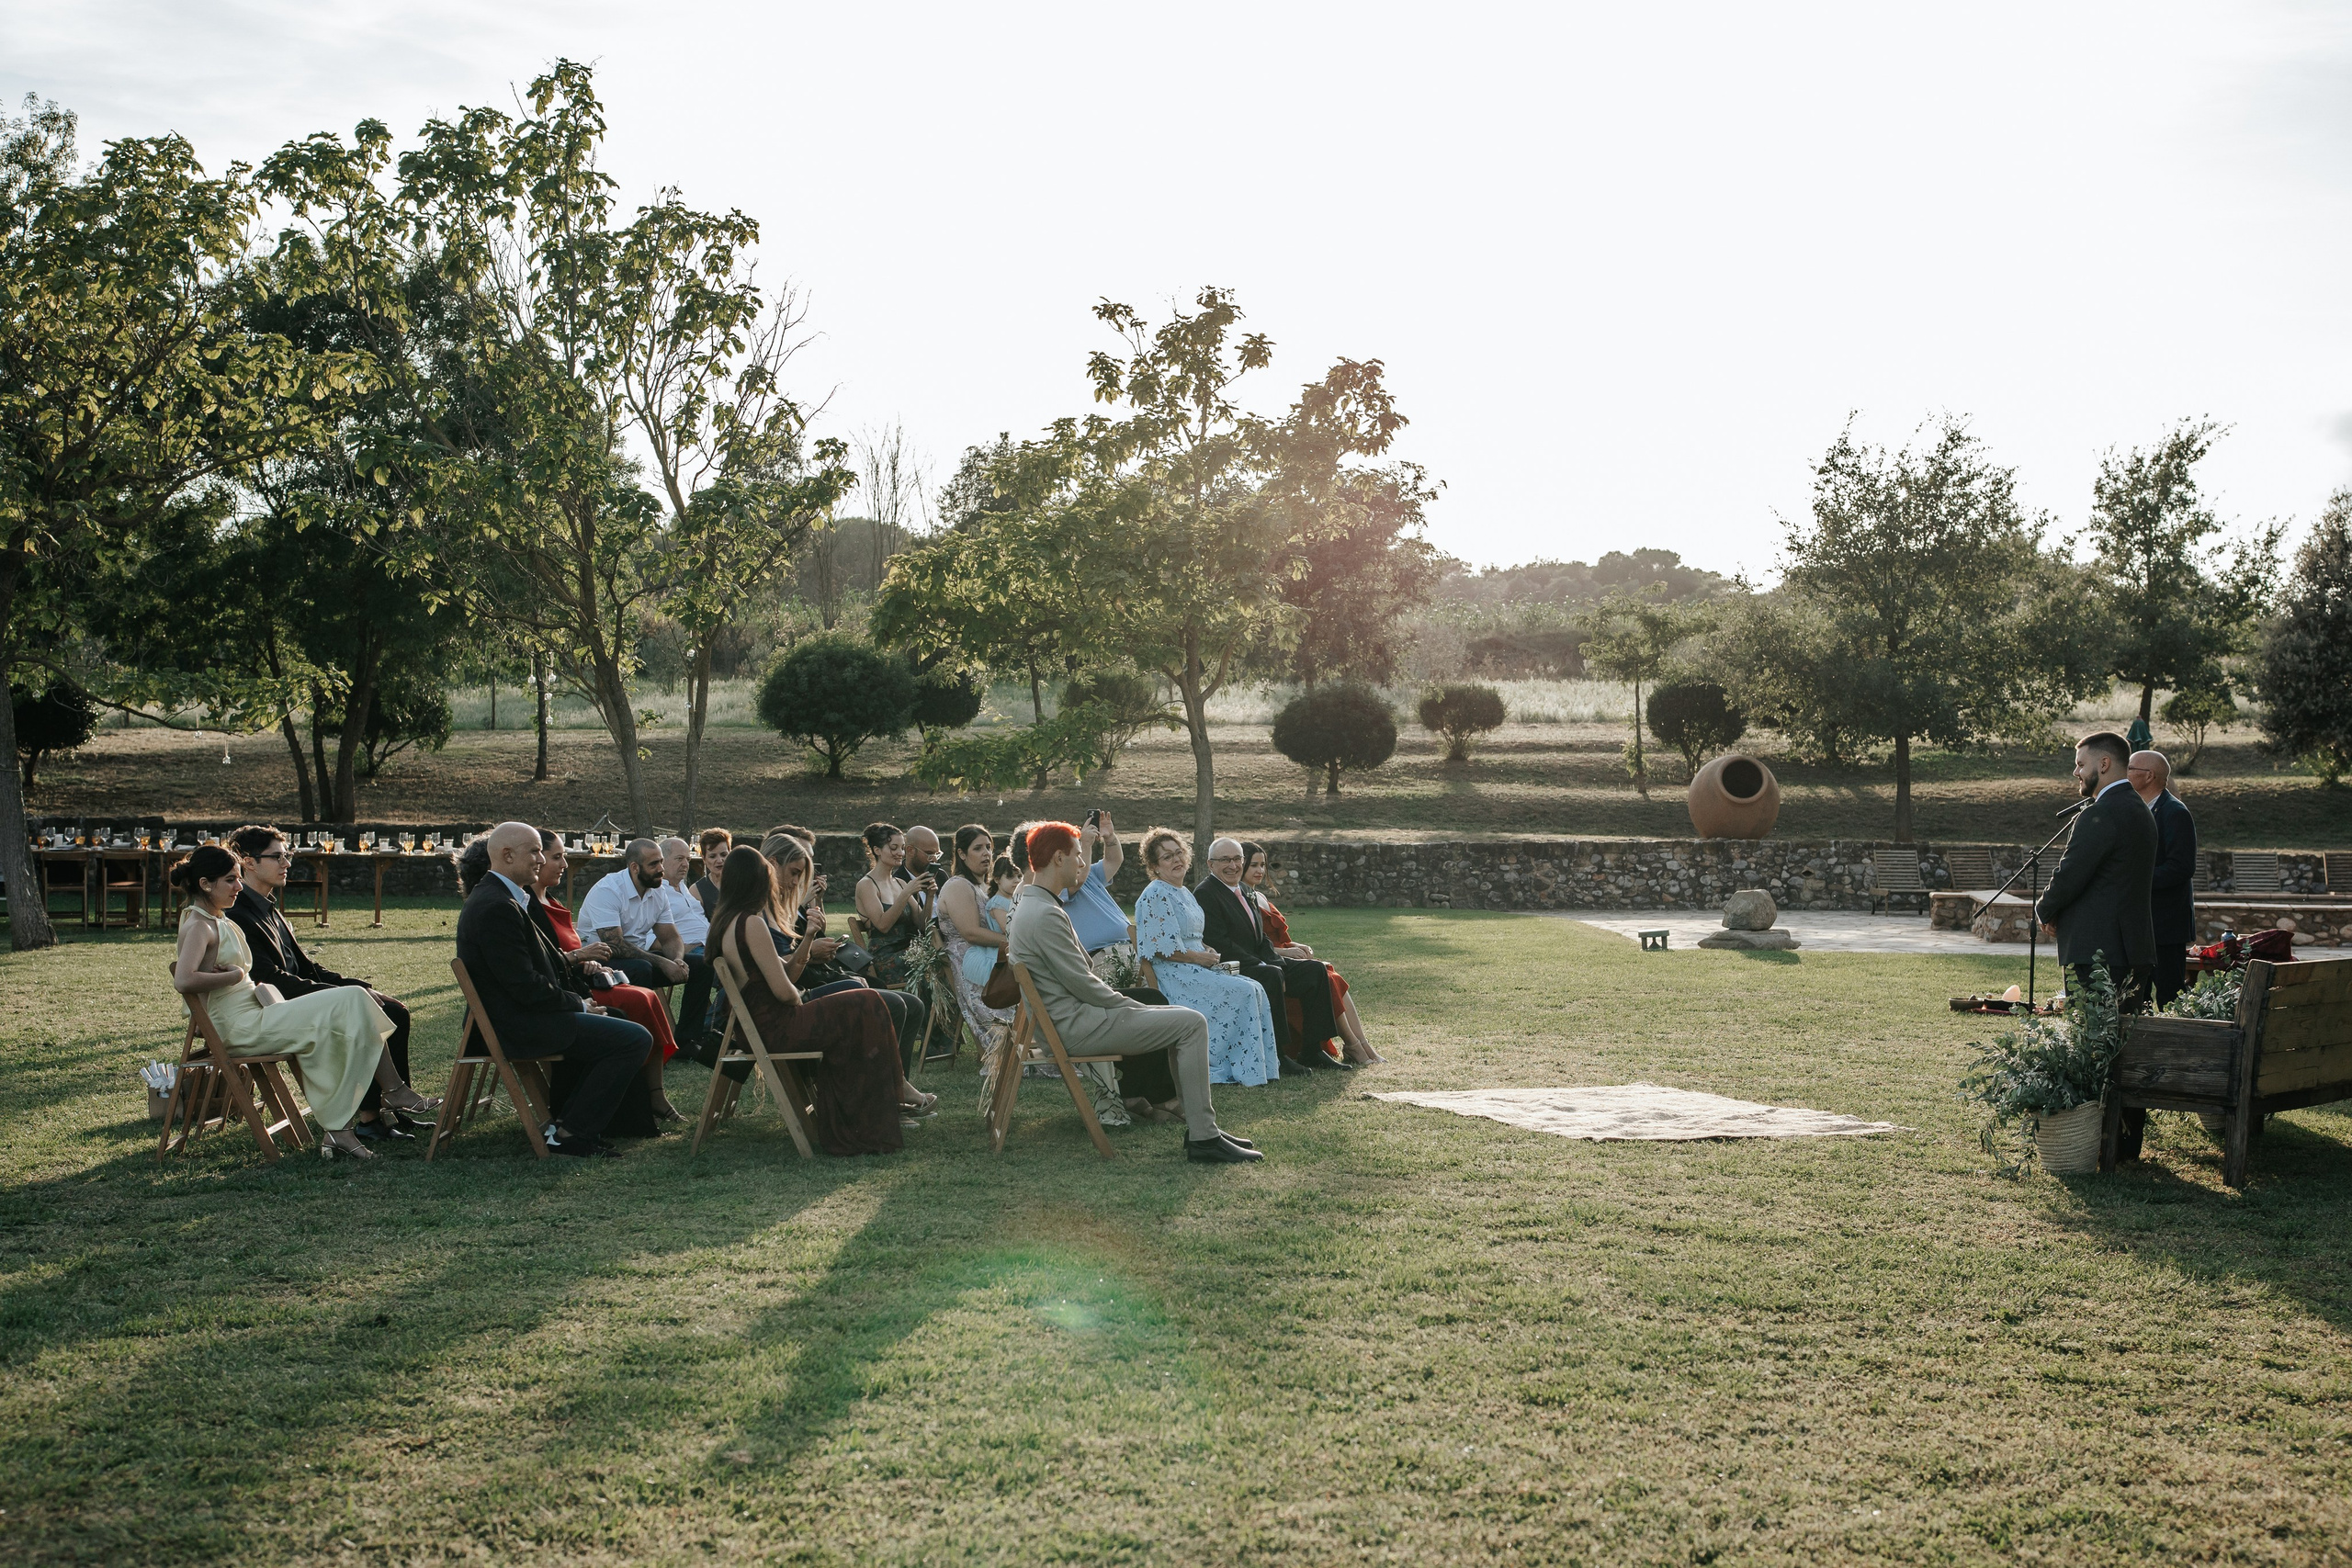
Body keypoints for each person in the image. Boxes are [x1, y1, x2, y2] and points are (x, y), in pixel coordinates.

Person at [1009, 821, 1261, 1164]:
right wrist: (1131, 1006)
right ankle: (1204, 1136)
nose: (1083, 864)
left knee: (1180, 1019)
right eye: (1079, 856)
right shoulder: (1044, 913)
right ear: (1057, 858)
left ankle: (1204, 1129)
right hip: (1077, 1026)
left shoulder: (1036, 904)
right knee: (1191, 1023)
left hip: (1072, 1019)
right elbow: (1084, 983)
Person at [171, 845, 413, 1161]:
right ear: (205, 884)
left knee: (356, 1002)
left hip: (257, 1013)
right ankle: (390, 1094)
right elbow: (184, 980)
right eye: (230, 880)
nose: (239, 887)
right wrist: (230, 977)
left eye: (239, 879)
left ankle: (346, 1126)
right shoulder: (199, 925)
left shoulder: (217, 919)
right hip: (239, 1027)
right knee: (354, 996)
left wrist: (240, 979)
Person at [455, 823, 654, 1158]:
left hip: (527, 1015)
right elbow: (525, 987)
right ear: (507, 855)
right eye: (534, 851)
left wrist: (579, 989)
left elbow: (536, 968)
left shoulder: (506, 897)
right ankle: (571, 1133)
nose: (540, 859)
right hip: (520, 1025)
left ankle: (572, 1121)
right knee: (634, 1039)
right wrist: (578, 1004)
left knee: (619, 1019)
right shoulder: (496, 906)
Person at [225, 824, 433, 1144]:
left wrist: (358, 986)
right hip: (276, 1005)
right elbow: (268, 978)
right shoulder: (239, 913)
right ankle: (374, 1115)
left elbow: (308, 966)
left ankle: (382, 1115)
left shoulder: (270, 908)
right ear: (248, 862)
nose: (287, 864)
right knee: (368, 1011)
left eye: (288, 855)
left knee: (395, 1011)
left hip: (300, 993)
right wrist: (343, 996)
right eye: (277, 857)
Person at [712, 843, 923, 1152]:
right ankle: (876, 1107)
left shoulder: (727, 921)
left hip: (761, 1026)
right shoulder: (751, 923)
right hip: (776, 1027)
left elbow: (786, 971)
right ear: (756, 881)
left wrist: (809, 935)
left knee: (864, 1002)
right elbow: (785, 990)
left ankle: (880, 1100)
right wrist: (803, 1002)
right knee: (867, 1003)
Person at [2037, 732, 2158, 1159]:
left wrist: (2044, 908)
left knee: (2096, 1047)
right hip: (2133, 948)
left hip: (2099, 955)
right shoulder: (2141, 812)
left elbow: (2072, 873)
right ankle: (2125, 1143)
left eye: (2080, 762)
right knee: (2126, 1050)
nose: (2076, 771)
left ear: (2104, 764)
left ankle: (2096, 1142)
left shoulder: (2102, 814)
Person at [522, 829, 682, 1122]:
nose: (564, 864)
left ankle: (654, 1092)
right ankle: (640, 1100)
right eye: (556, 857)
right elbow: (542, 966)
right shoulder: (527, 907)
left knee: (647, 995)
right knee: (641, 996)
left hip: (582, 978)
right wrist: (580, 959)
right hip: (569, 991)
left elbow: (563, 955)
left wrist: (588, 963)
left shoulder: (551, 902)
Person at [1133, 829, 1282, 1085]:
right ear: (1155, 866)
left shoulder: (1183, 893)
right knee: (1244, 991)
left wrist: (1205, 949)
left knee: (1255, 986)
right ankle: (1229, 1064)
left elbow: (1190, 936)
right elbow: (1159, 949)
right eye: (1167, 857)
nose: (1176, 860)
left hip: (1195, 967)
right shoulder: (1156, 894)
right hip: (1174, 975)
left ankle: (1255, 1065)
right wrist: (1199, 958)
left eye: (1179, 853)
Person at [1194, 836, 1345, 1073]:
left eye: (1236, 859)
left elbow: (1260, 937)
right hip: (1232, 967)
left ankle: (1312, 1050)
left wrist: (1278, 961)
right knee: (1272, 975)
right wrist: (1266, 965)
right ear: (1210, 864)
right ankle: (1279, 1056)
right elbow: (1220, 943)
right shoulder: (1206, 893)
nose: (1233, 865)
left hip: (1261, 962)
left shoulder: (1243, 890)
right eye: (1225, 860)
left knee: (1315, 970)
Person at [1239, 840, 1382, 1065]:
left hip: (1284, 953)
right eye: (1253, 866)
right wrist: (1284, 952)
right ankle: (1353, 1045)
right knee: (1327, 977)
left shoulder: (1260, 897)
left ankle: (1362, 1043)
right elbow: (1254, 944)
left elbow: (1277, 936)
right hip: (1272, 960)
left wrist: (1296, 945)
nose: (1260, 871)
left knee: (1332, 974)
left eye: (1263, 865)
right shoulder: (1240, 899)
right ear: (1241, 866)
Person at [579, 837, 715, 1055]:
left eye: (661, 862)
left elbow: (670, 938)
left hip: (642, 957)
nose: (661, 869)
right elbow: (615, 944)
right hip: (599, 962)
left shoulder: (658, 890)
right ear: (635, 867)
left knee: (702, 964)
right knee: (643, 967)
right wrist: (663, 961)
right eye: (654, 864)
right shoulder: (608, 890)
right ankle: (642, 1044)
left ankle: (687, 1040)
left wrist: (677, 959)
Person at [851, 822, 935, 1063]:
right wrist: (907, 893)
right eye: (893, 847)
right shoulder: (867, 885)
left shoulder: (899, 883)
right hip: (885, 956)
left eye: (902, 847)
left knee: (941, 963)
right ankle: (930, 1038)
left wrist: (928, 896)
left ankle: (938, 1040)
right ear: (877, 850)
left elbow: (921, 923)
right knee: (934, 971)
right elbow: (882, 925)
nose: (900, 853)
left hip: (909, 951)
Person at [933, 824, 1014, 1060]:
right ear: (961, 854)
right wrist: (1011, 943)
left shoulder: (986, 886)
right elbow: (970, 933)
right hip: (969, 961)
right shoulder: (958, 885)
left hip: (993, 955)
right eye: (978, 848)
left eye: (989, 847)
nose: (987, 853)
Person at [2130, 749, 2199, 1008]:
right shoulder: (2137, 810)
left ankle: (2178, 1044)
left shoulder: (2174, 812)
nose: (2124, 774)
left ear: (2149, 776)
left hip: (2166, 924)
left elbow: (2181, 867)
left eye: (2130, 769)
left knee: (2170, 995)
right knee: (2137, 995)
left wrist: (2136, 881)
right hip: (2140, 922)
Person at [692, 829, 732, 920]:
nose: (719, 860)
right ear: (704, 858)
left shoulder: (743, 883)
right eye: (712, 856)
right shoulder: (696, 891)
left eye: (723, 854)